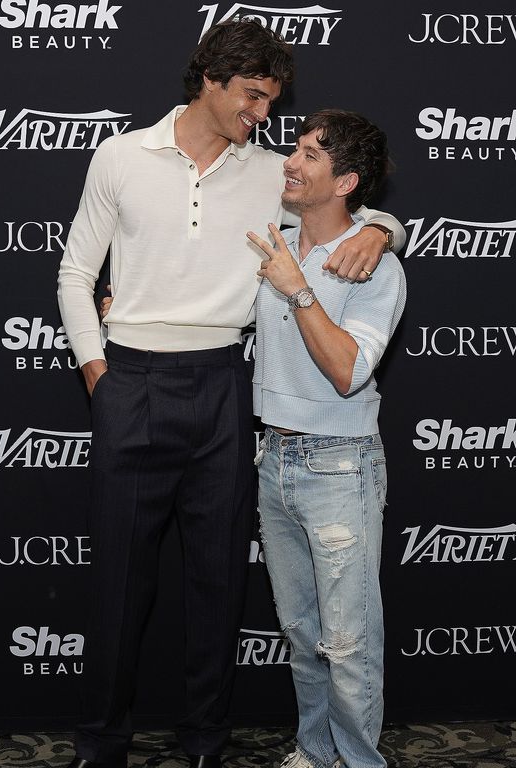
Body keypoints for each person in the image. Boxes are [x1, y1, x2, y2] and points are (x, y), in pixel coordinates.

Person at [57, 20, 404, 768]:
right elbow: (75, 273)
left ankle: (207, 742)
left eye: (271, 99)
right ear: (209, 80)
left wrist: (384, 228)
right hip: (131, 382)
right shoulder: (121, 155)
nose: (262, 113)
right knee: (119, 584)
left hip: (222, 386)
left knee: (217, 585)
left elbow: (344, 204)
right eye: (252, 94)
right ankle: (100, 743)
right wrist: (98, 373)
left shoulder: (269, 172)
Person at [247, 109, 406, 768]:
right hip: (273, 458)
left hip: (339, 468)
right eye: (296, 147)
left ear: (347, 181)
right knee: (301, 631)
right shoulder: (275, 238)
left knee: (348, 642)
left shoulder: (376, 269)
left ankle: (359, 761)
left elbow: (346, 371)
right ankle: (315, 750)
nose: (292, 161)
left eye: (313, 155)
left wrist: (300, 291)